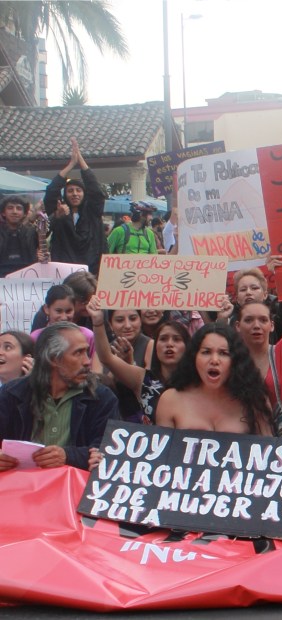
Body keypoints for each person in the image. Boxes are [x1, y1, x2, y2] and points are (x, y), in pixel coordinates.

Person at [0, 322, 117, 470]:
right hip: (20, 488)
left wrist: (68, 456)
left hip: (75, 490)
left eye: (86, 352)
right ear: (53, 359)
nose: (87, 362)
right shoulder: (12, 393)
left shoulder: (101, 398)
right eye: (78, 353)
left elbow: (109, 451)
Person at [155, 324, 274, 435]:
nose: (214, 360)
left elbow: (267, 452)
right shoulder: (170, 400)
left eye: (223, 353)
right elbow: (161, 454)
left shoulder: (255, 400)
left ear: (236, 361)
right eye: (206, 352)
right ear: (194, 357)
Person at [87, 299, 188, 424]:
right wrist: (98, 322)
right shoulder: (144, 380)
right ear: (156, 345)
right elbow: (106, 357)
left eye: (177, 339)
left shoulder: (197, 383)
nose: (169, 344)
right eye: (163, 339)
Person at [234, 300, 282, 434]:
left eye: (263, 320)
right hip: (245, 445)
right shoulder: (230, 361)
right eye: (249, 320)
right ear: (238, 326)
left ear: (272, 325)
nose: (256, 325)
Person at [43, 138, 107, 273]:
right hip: (63, 270)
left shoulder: (92, 212)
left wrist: (81, 161)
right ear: (65, 194)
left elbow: (96, 191)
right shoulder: (59, 211)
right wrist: (71, 165)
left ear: (84, 193)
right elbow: (51, 191)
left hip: (91, 271)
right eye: (70, 191)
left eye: (78, 190)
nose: (75, 194)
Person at [0, 195, 40, 277]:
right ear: (3, 213)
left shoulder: (32, 232)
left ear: (25, 213)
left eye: (19, 208)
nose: (14, 211)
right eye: (10, 208)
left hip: (28, 276)